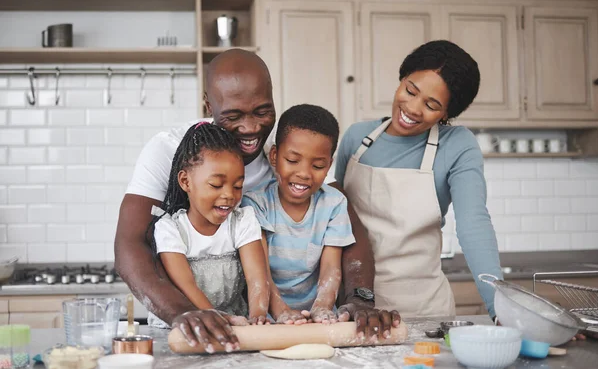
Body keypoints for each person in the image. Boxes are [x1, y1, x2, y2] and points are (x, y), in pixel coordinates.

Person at [115, 49, 400, 353]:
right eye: (234, 116)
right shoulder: (172, 150)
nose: (251, 128)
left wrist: (360, 298)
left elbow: (350, 231)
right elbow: (129, 245)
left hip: (254, 329)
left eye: (262, 111)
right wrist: (183, 313)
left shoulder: (290, 151)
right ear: (209, 105)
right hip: (191, 327)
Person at [335, 40, 503, 319]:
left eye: (431, 105)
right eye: (410, 91)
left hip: (424, 311)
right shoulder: (356, 138)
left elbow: (474, 225)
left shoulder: (457, 145)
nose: (412, 108)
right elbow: (335, 220)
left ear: (447, 113)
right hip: (357, 308)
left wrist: (501, 308)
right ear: (402, 79)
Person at [148, 122, 270, 353]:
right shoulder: (170, 229)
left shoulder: (242, 221)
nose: (229, 195)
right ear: (186, 182)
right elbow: (186, 286)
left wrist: (258, 318)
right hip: (185, 332)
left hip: (236, 329)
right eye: (216, 184)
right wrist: (215, 320)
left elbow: (257, 279)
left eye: (237, 186)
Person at [242, 104, 356, 326]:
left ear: (329, 165)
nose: (304, 173)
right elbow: (259, 270)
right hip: (268, 317)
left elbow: (331, 269)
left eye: (318, 165)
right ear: (274, 156)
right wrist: (281, 311)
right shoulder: (256, 203)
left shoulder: (334, 203)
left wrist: (322, 307)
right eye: (292, 161)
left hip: (318, 320)